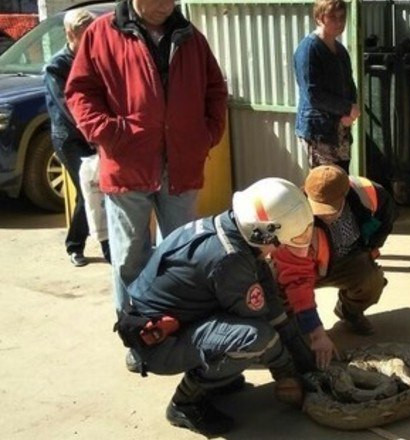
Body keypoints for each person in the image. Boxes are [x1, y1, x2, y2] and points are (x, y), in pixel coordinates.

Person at [116, 178, 317, 436]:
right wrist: (290, 374)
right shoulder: (231, 258)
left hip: (176, 322)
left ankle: (219, 380)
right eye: (282, 240)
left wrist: (305, 361)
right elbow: (265, 328)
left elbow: (273, 306)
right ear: (265, 232)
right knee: (257, 338)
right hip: (159, 343)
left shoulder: (232, 230)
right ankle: (185, 403)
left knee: (258, 330)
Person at [65, 0, 228, 312]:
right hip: (127, 164)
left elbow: (215, 90)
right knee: (130, 257)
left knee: (183, 253)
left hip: (182, 165)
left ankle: (177, 324)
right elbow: (80, 92)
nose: (166, 5)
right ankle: (136, 330)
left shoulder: (190, 36)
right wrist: (109, 133)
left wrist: (206, 135)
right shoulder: (102, 33)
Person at [273, 165, 396, 364]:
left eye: (329, 209)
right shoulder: (292, 213)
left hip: (344, 260)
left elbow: (386, 219)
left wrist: (371, 248)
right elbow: (296, 279)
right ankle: (289, 326)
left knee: (371, 279)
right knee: (278, 287)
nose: (323, 215)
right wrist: (316, 332)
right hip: (304, 266)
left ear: (345, 193)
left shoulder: (371, 194)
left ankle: (349, 312)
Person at [43, 9, 110, 267]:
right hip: (71, 138)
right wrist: (95, 133)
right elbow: (69, 108)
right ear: (70, 34)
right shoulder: (56, 66)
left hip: (96, 134)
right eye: (86, 36)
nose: (93, 40)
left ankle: (108, 243)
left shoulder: (97, 57)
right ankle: (76, 245)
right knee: (89, 190)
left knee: (107, 188)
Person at [293, 0, 360, 172]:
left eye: (342, 17)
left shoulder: (340, 50)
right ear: (319, 18)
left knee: (342, 181)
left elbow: (349, 84)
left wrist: (350, 111)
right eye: (333, 17)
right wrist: (345, 108)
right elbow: (313, 94)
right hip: (319, 130)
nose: (339, 22)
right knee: (325, 184)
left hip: (340, 128)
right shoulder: (309, 49)